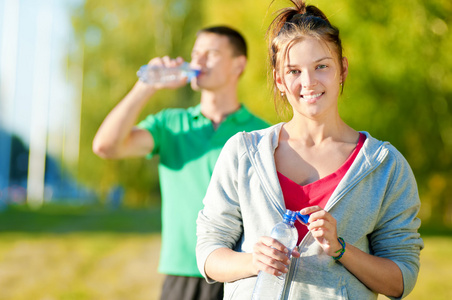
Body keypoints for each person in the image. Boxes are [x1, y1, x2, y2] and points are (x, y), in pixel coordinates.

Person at [196, 1, 424, 299]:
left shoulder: (385, 166)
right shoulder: (242, 153)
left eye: (322, 66)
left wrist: (341, 249)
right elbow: (208, 253)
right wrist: (253, 260)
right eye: (293, 71)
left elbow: (401, 278)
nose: (309, 82)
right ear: (279, 80)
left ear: (342, 69)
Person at [92, 26, 269, 300]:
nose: (197, 62)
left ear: (239, 65)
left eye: (210, 54)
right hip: (182, 276)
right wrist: (147, 85)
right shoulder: (171, 125)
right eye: (195, 54)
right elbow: (106, 145)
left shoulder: (264, 135)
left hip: (243, 273)